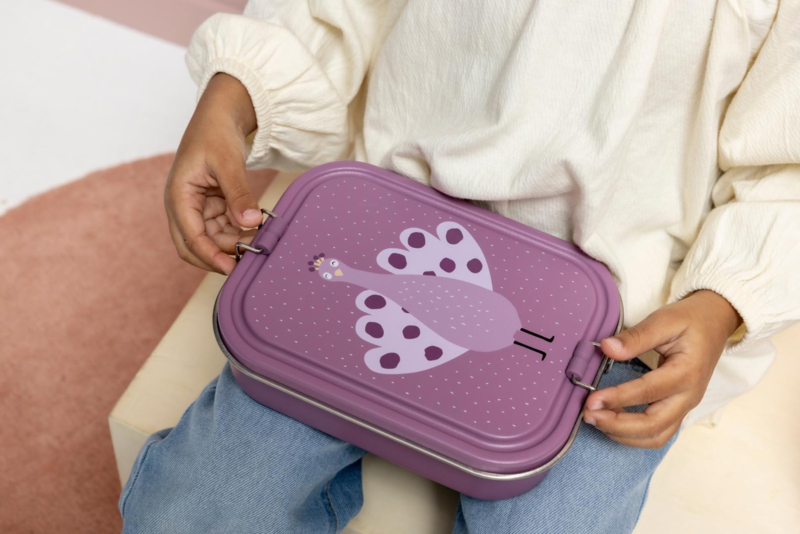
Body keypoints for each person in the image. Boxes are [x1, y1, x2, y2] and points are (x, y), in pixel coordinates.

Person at [121, 1, 800, 532]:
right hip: (394, 220)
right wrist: (233, 100)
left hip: (623, 315)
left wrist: (722, 302)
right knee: (194, 511)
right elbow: (337, 11)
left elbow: (785, 161)